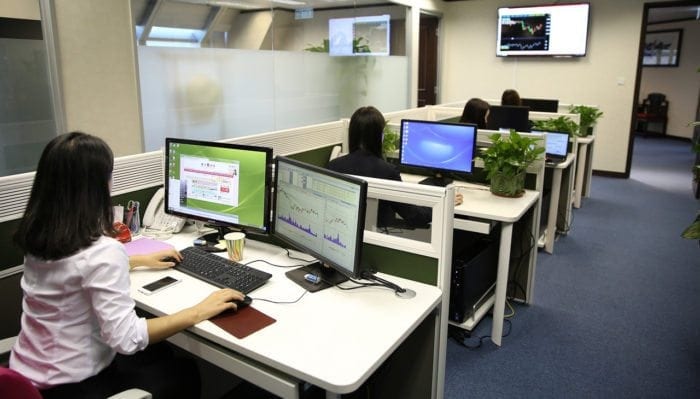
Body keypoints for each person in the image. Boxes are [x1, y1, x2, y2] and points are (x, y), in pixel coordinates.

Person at [10, 132, 246, 399]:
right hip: (77, 386)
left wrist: (135, 261)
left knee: (160, 351)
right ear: (98, 186)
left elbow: (71, 275)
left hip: (29, 377)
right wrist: (199, 310)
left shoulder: (40, 233)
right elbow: (127, 339)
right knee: (183, 370)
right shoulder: (103, 252)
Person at [327, 106, 463, 229]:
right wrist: (445, 203)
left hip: (341, 235)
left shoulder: (333, 166)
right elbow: (414, 217)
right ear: (380, 137)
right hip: (376, 239)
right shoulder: (387, 171)